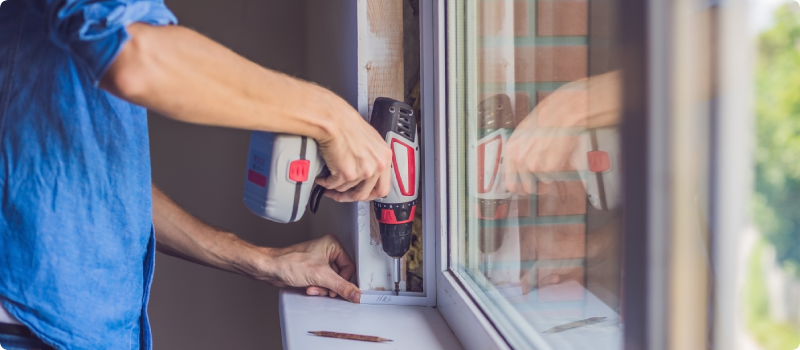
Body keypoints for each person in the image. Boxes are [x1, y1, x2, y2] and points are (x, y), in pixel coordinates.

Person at [0, 0, 393, 349]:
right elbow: (133, 55)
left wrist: (260, 259)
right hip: (28, 321)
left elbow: (97, 186)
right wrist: (331, 117)